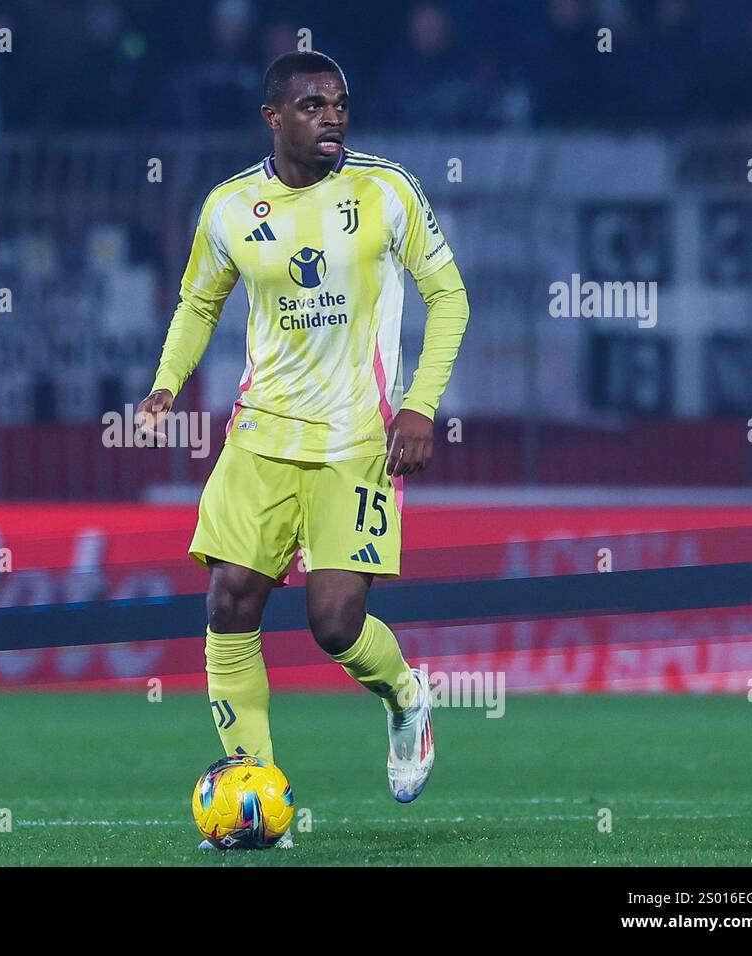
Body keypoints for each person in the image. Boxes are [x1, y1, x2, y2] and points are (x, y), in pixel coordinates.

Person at [136, 51, 469, 848]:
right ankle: (257, 793)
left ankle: (404, 697)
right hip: (260, 435)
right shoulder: (229, 207)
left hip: (358, 441)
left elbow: (449, 296)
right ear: (274, 118)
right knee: (229, 603)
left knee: (332, 622)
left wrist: (419, 406)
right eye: (315, 106)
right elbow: (197, 303)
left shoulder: (386, 191)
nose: (334, 119)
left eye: (342, 104)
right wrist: (165, 384)